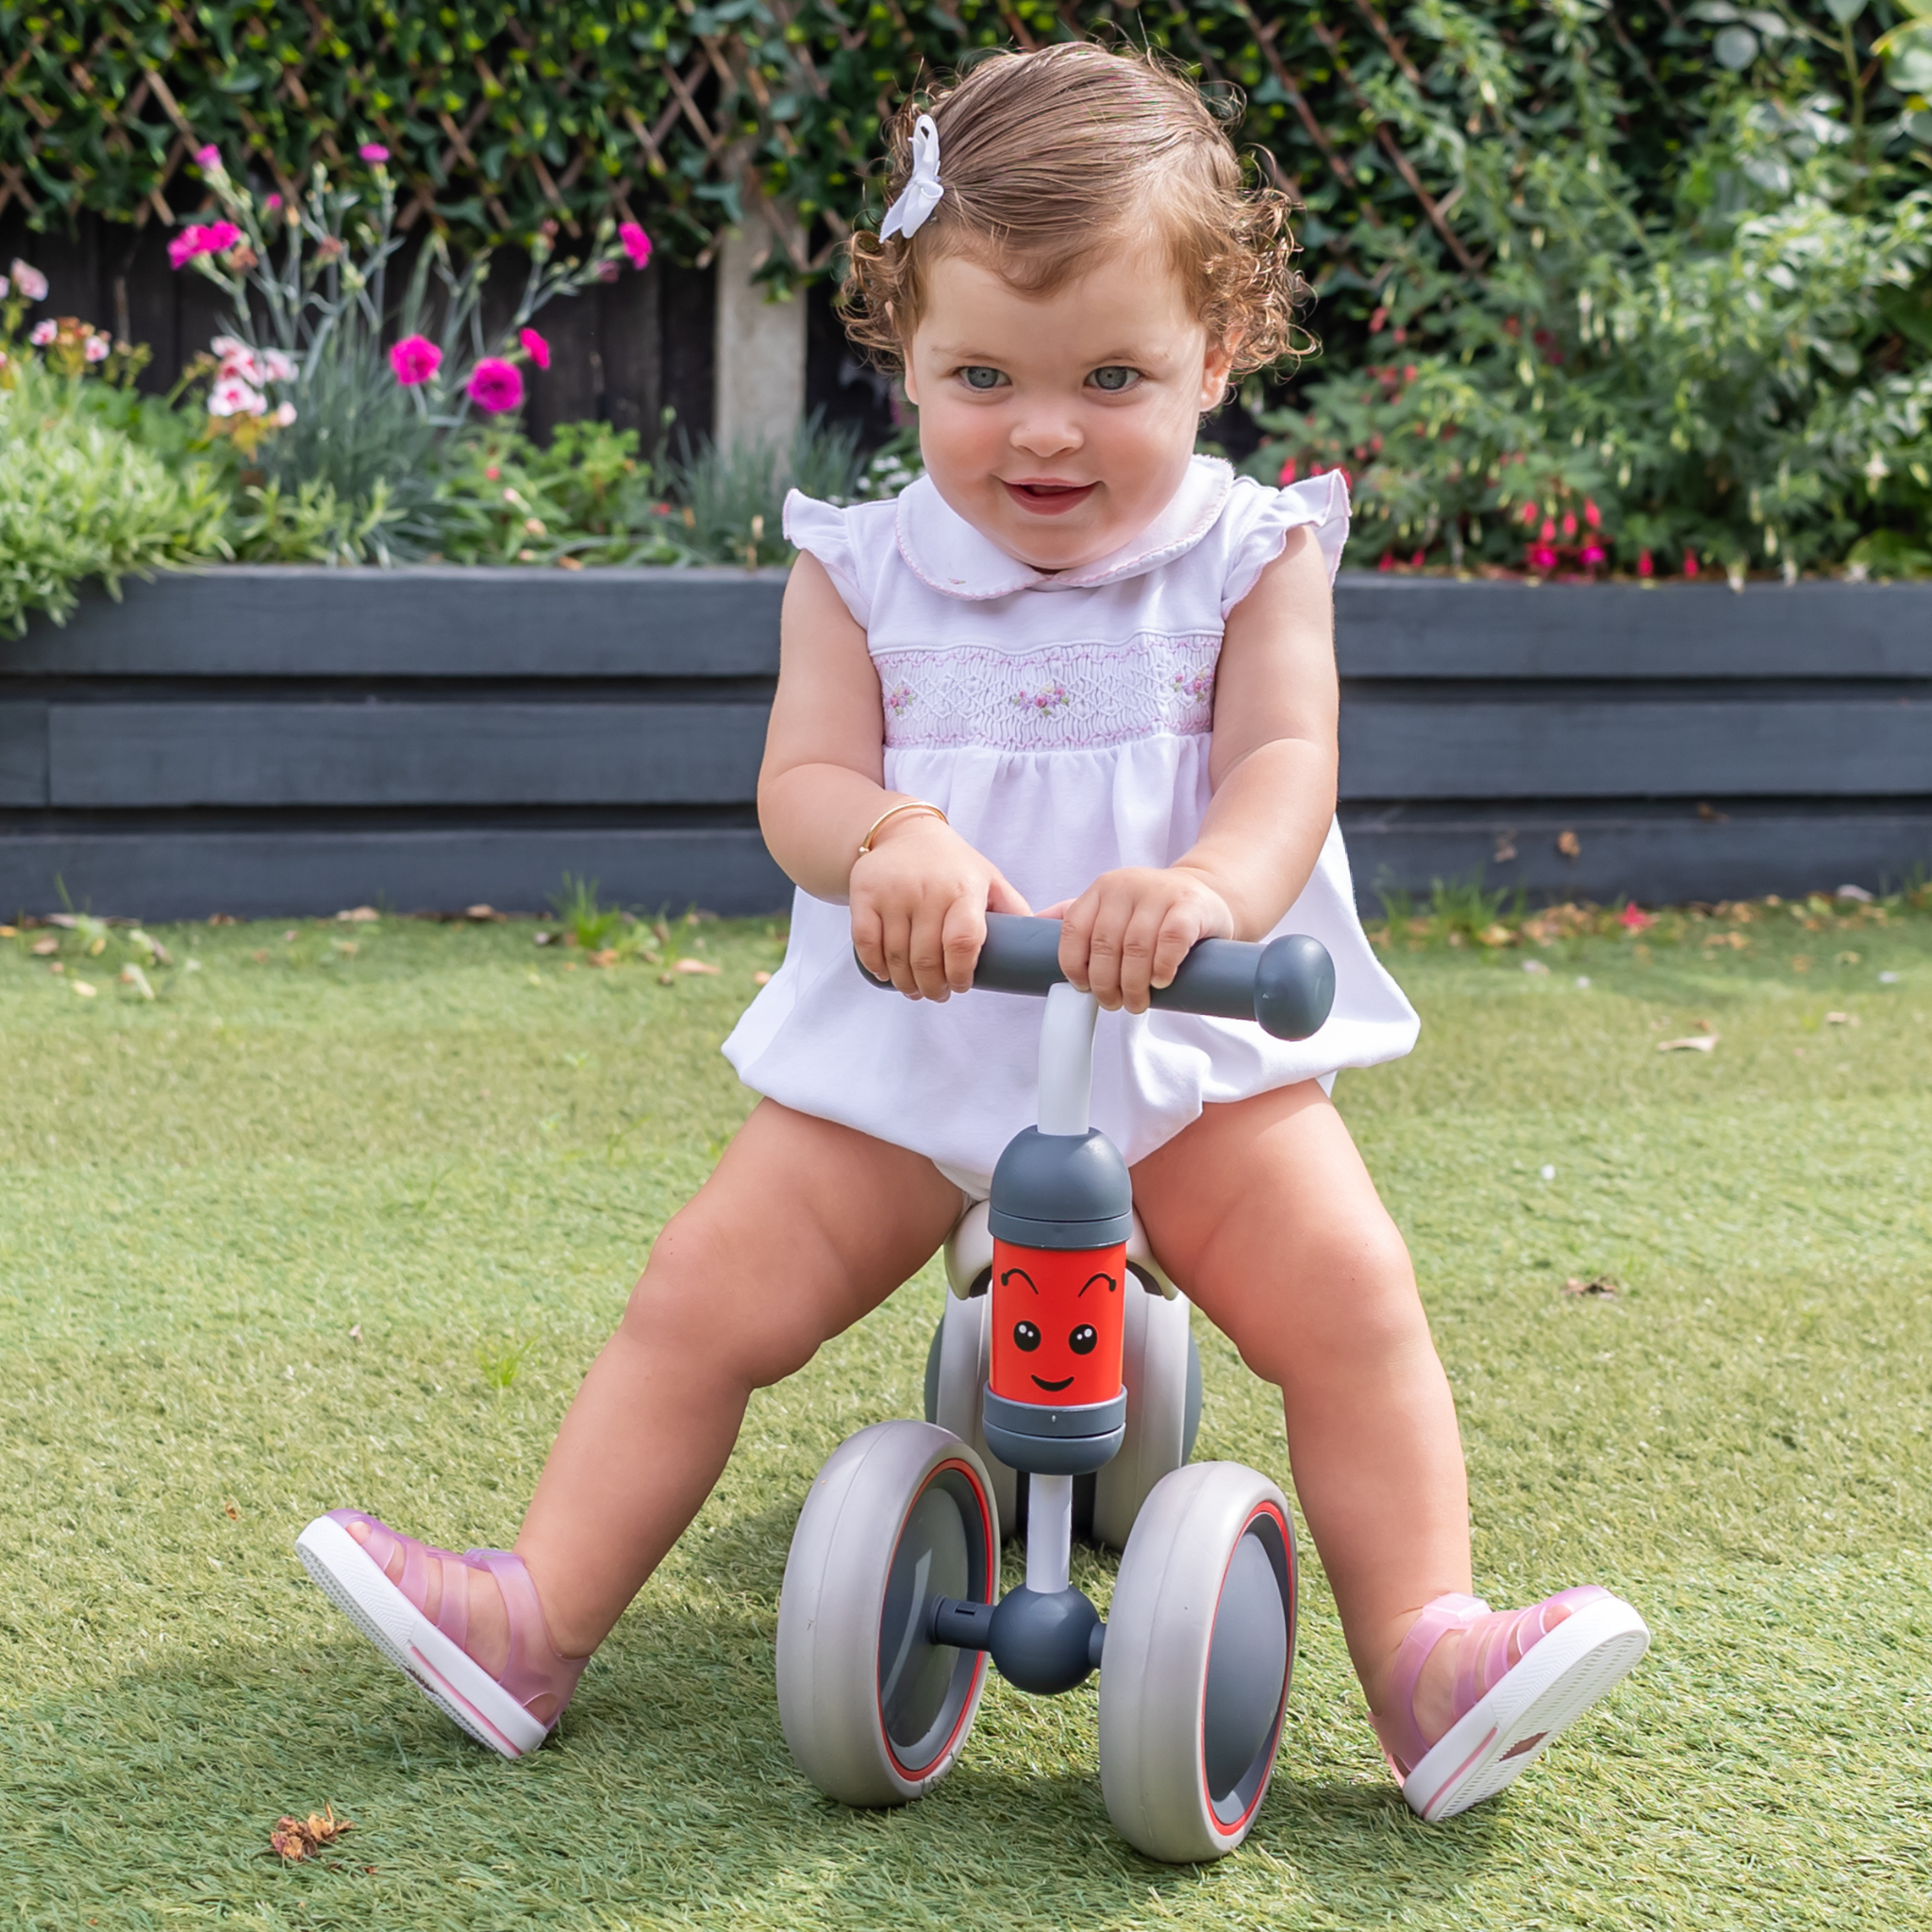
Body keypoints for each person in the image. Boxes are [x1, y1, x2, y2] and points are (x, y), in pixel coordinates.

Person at [297, 42, 1647, 1823]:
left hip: (1177, 1044)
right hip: (919, 1049)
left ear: (1217, 358)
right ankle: (532, 1614)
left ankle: (1426, 1654)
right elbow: (800, 786)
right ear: (906, 355)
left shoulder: (1251, 558)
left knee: (1352, 1302)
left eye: (1114, 375)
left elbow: (1284, 766)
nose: (1043, 429)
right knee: (704, 1294)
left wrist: (1208, 894)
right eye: (981, 375)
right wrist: (888, 837)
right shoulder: (860, 570)